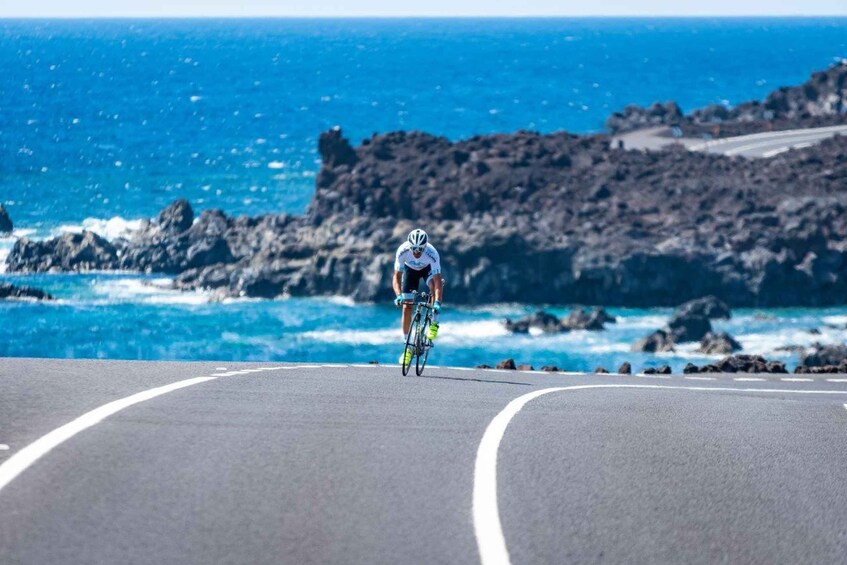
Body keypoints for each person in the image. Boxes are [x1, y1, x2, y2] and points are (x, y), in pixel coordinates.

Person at [393, 228, 443, 365]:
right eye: (414, 248)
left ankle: (434, 322)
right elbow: (396, 277)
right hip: (410, 272)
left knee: (433, 286)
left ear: (425, 247)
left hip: (427, 270)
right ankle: (407, 348)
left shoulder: (432, 253)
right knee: (407, 306)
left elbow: (438, 280)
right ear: (409, 246)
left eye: (420, 249)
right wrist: (398, 296)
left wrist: (437, 302)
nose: (416, 252)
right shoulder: (403, 251)